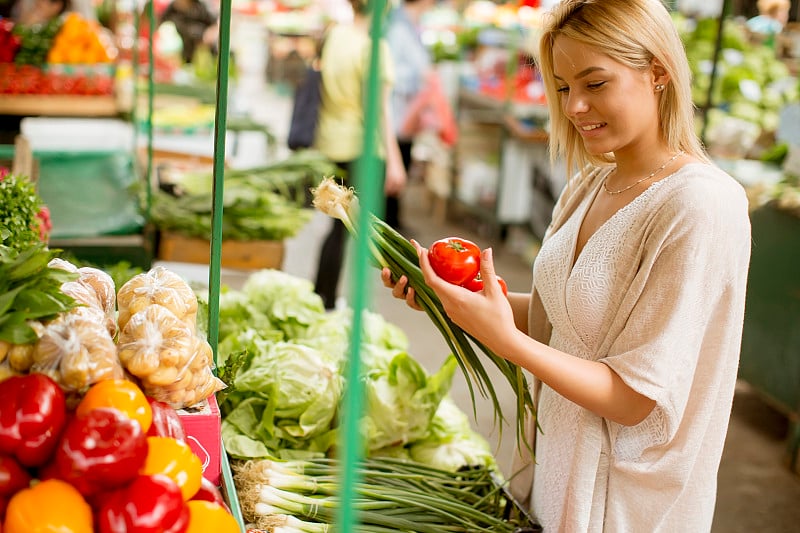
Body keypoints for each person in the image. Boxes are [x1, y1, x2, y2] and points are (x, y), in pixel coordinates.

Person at [382, 0, 751, 530]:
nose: (575, 106)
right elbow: (568, 324)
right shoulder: (590, 183)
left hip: (623, 503)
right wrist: (455, 298)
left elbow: (636, 398)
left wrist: (506, 341)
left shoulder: (701, 205)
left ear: (659, 73)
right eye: (562, 87)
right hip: (554, 469)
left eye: (595, 83)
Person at [313, 0, 407, 310]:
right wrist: (395, 161)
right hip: (361, 149)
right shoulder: (374, 48)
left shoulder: (336, 36)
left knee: (337, 226)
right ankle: (336, 303)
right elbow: (377, 111)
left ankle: (322, 297)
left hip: (331, 142)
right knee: (363, 231)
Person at [384, 0, 436, 231]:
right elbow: (391, 74)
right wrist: (421, 81)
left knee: (402, 163)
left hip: (406, 114)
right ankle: (388, 223)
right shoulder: (398, 28)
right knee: (394, 169)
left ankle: (393, 221)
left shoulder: (410, 24)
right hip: (395, 115)